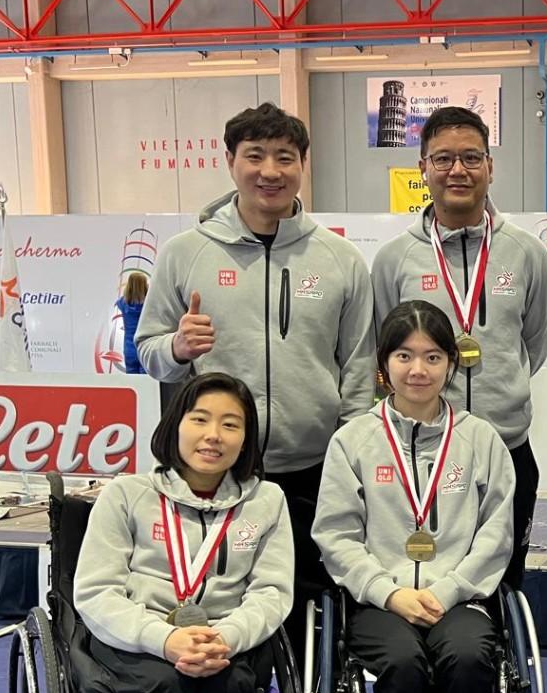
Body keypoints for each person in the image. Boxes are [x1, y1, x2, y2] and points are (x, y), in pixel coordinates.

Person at [134, 102, 375, 628]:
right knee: (222, 601)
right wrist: (177, 347)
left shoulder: (341, 259)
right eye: (255, 155)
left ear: (303, 164)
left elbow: (359, 368)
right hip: (216, 468)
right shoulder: (184, 253)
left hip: (314, 471)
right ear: (230, 161)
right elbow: (148, 352)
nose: (270, 171)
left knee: (309, 609)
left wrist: (350, 459)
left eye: (284, 157)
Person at [312, 300, 515, 693]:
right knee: (401, 663)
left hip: (460, 597)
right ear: (384, 366)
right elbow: (336, 534)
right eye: (404, 356)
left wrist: (449, 590)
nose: (418, 370)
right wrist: (388, 591)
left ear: (452, 363)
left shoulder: (481, 439)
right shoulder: (353, 440)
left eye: (432, 356)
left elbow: (497, 532)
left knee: (470, 656)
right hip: (381, 600)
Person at [74, 372, 294, 693]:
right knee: (167, 683)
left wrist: (227, 636)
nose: (213, 435)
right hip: (138, 639)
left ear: (246, 439)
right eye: (200, 420)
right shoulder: (126, 495)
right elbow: (95, 592)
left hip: (226, 638)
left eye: (230, 425)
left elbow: (272, 592)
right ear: (175, 424)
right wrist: (165, 639)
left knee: (230, 681)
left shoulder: (267, 501)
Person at [371, 106, 547, 592]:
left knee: (504, 585)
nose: (458, 170)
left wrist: (499, 387)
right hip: (421, 456)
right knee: (423, 584)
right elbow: (385, 348)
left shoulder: (527, 253)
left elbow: (533, 342)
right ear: (423, 168)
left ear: (490, 166)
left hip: (507, 448)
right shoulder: (395, 259)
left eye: (472, 157)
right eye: (444, 158)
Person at [118, 272, 149, 374]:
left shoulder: (122, 303)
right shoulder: (149, 305)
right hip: (145, 346)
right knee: (145, 380)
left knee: (131, 379)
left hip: (129, 347)